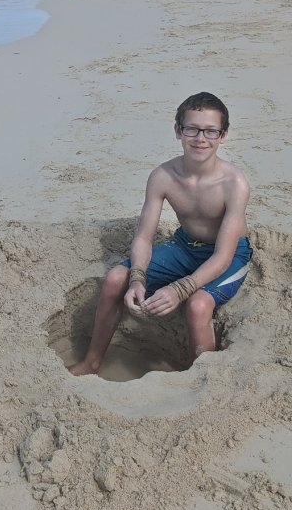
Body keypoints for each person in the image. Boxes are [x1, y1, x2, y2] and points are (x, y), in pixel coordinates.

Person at [68, 92, 253, 376]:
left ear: (223, 135)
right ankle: (91, 362)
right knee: (116, 278)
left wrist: (179, 289)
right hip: (184, 244)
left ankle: (199, 377)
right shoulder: (163, 176)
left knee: (198, 305)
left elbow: (223, 255)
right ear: (178, 130)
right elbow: (143, 237)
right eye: (192, 128)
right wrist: (137, 278)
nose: (200, 138)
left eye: (210, 131)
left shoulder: (234, 183)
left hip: (228, 253)